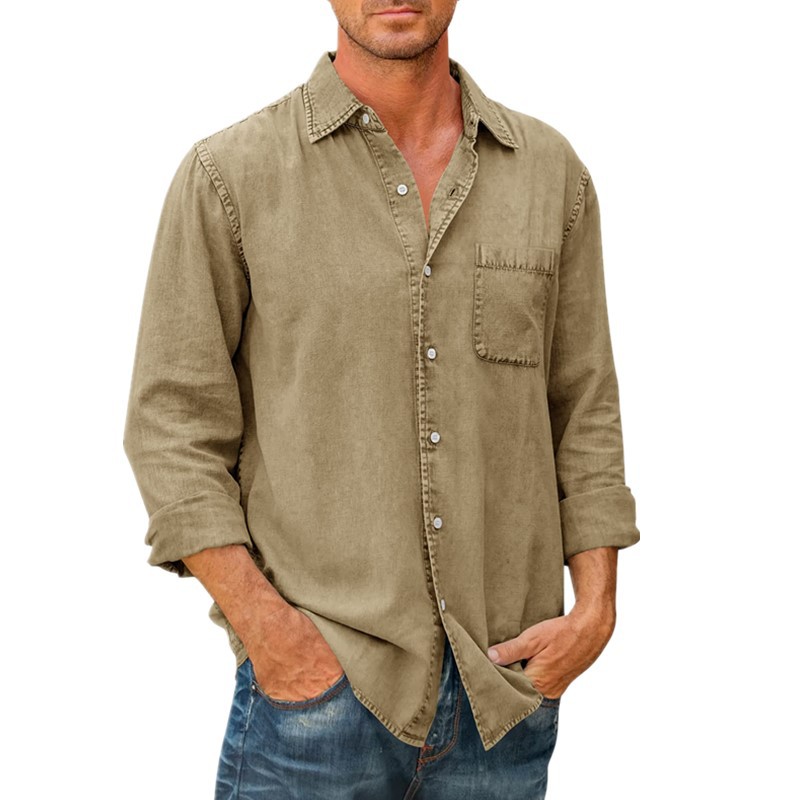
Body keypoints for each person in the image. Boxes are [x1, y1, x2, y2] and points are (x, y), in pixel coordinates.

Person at [123, 1, 640, 797]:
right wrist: (271, 634)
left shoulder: (549, 174)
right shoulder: (231, 176)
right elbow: (171, 425)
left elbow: (584, 404)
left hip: (503, 700)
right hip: (316, 707)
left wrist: (595, 609)